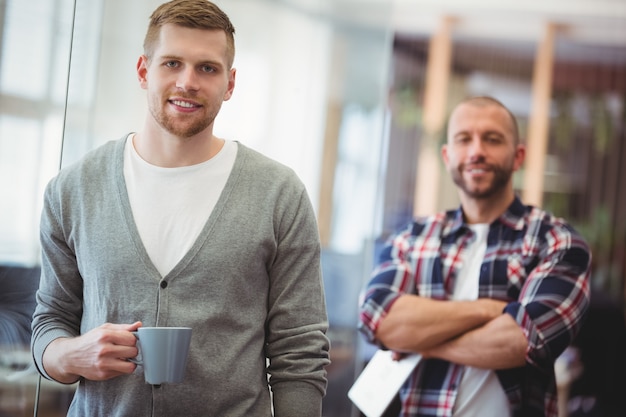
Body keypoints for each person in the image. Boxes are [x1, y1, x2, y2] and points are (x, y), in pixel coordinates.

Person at [31, 1, 330, 416]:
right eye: (172, 63)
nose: (187, 82)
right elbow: (51, 319)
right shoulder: (73, 189)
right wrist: (69, 356)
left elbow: (300, 350)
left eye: (207, 68)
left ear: (230, 83)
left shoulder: (279, 193)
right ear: (143, 71)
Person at [358, 96, 591, 417]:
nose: (476, 150)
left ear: (518, 156)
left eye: (492, 139)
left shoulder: (555, 240)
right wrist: (487, 310)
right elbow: (378, 320)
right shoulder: (411, 239)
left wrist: (421, 343)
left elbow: (525, 341)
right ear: (447, 155)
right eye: (464, 139)